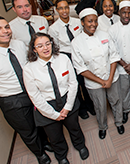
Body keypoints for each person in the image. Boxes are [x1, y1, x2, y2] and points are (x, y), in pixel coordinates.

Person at [0, 16, 51, 164]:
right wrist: (5, 98)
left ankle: (46, 143)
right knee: (27, 130)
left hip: (33, 91)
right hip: (12, 100)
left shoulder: (20, 45)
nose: (5, 31)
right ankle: (40, 153)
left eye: (6, 27)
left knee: (41, 120)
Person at [24, 33, 88, 164]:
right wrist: (52, 114)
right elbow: (34, 95)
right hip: (46, 105)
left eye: (48, 43)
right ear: (34, 49)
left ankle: (80, 145)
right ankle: (61, 156)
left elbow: (73, 83)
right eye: (40, 46)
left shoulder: (63, 58)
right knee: (54, 136)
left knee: (74, 127)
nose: (45, 48)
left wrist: (68, 107)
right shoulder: (29, 68)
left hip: (67, 99)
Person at [71, 8, 124, 140]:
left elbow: (113, 56)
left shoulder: (105, 35)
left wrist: (110, 78)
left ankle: (119, 122)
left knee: (116, 101)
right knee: (99, 106)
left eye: (95, 21)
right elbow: (81, 68)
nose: (93, 24)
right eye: (89, 21)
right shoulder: (76, 42)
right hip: (93, 82)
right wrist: (101, 82)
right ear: (82, 22)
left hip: (112, 77)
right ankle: (102, 126)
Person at [49, 0, 96, 120]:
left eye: (66, 7)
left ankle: (90, 105)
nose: (64, 11)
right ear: (56, 10)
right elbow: (55, 48)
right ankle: (81, 108)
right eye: (60, 8)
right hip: (67, 57)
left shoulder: (77, 22)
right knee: (74, 83)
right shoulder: (53, 28)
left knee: (84, 81)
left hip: (81, 54)